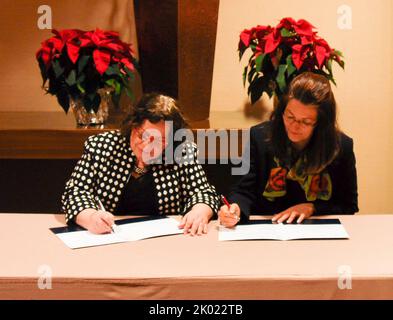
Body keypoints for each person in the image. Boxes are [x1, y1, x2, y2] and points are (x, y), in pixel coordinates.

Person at [61, 93, 220, 235]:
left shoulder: (182, 152)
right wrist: (90, 217)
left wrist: (200, 211)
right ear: (132, 126)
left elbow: (204, 192)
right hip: (109, 238)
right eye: (142, 135)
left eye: (159, 140)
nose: (147, 145)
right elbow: (75, 191)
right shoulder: (102, 146)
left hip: (166, 242)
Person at [219, 72, 358, 227]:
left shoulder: (340, 147)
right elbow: (243, 191)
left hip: (317, 232)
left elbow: (348, 205)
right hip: (267, 229)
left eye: (305, 122)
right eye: (290, 117)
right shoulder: (260, 137)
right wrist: (235, 208)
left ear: (321, 124)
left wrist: (312, 207)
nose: (294, 126)